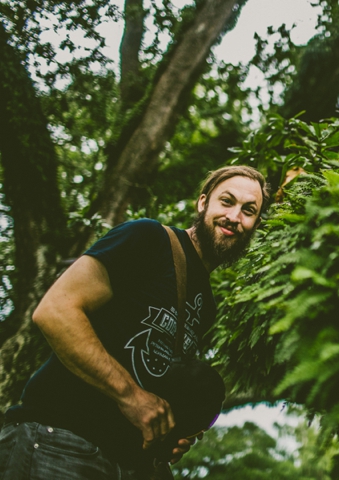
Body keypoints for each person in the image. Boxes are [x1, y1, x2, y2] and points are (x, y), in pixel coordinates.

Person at [0, 165, 269, 479]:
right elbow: (55, 311)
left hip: (121, 463)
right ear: (202, 203)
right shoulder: (148, 239)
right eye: (226, 201)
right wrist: (132, 397)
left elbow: (154, 378)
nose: (234, 216)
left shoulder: (205, 305)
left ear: (255, 225)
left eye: (248, 210)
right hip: (59, 441)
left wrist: (167, 432)